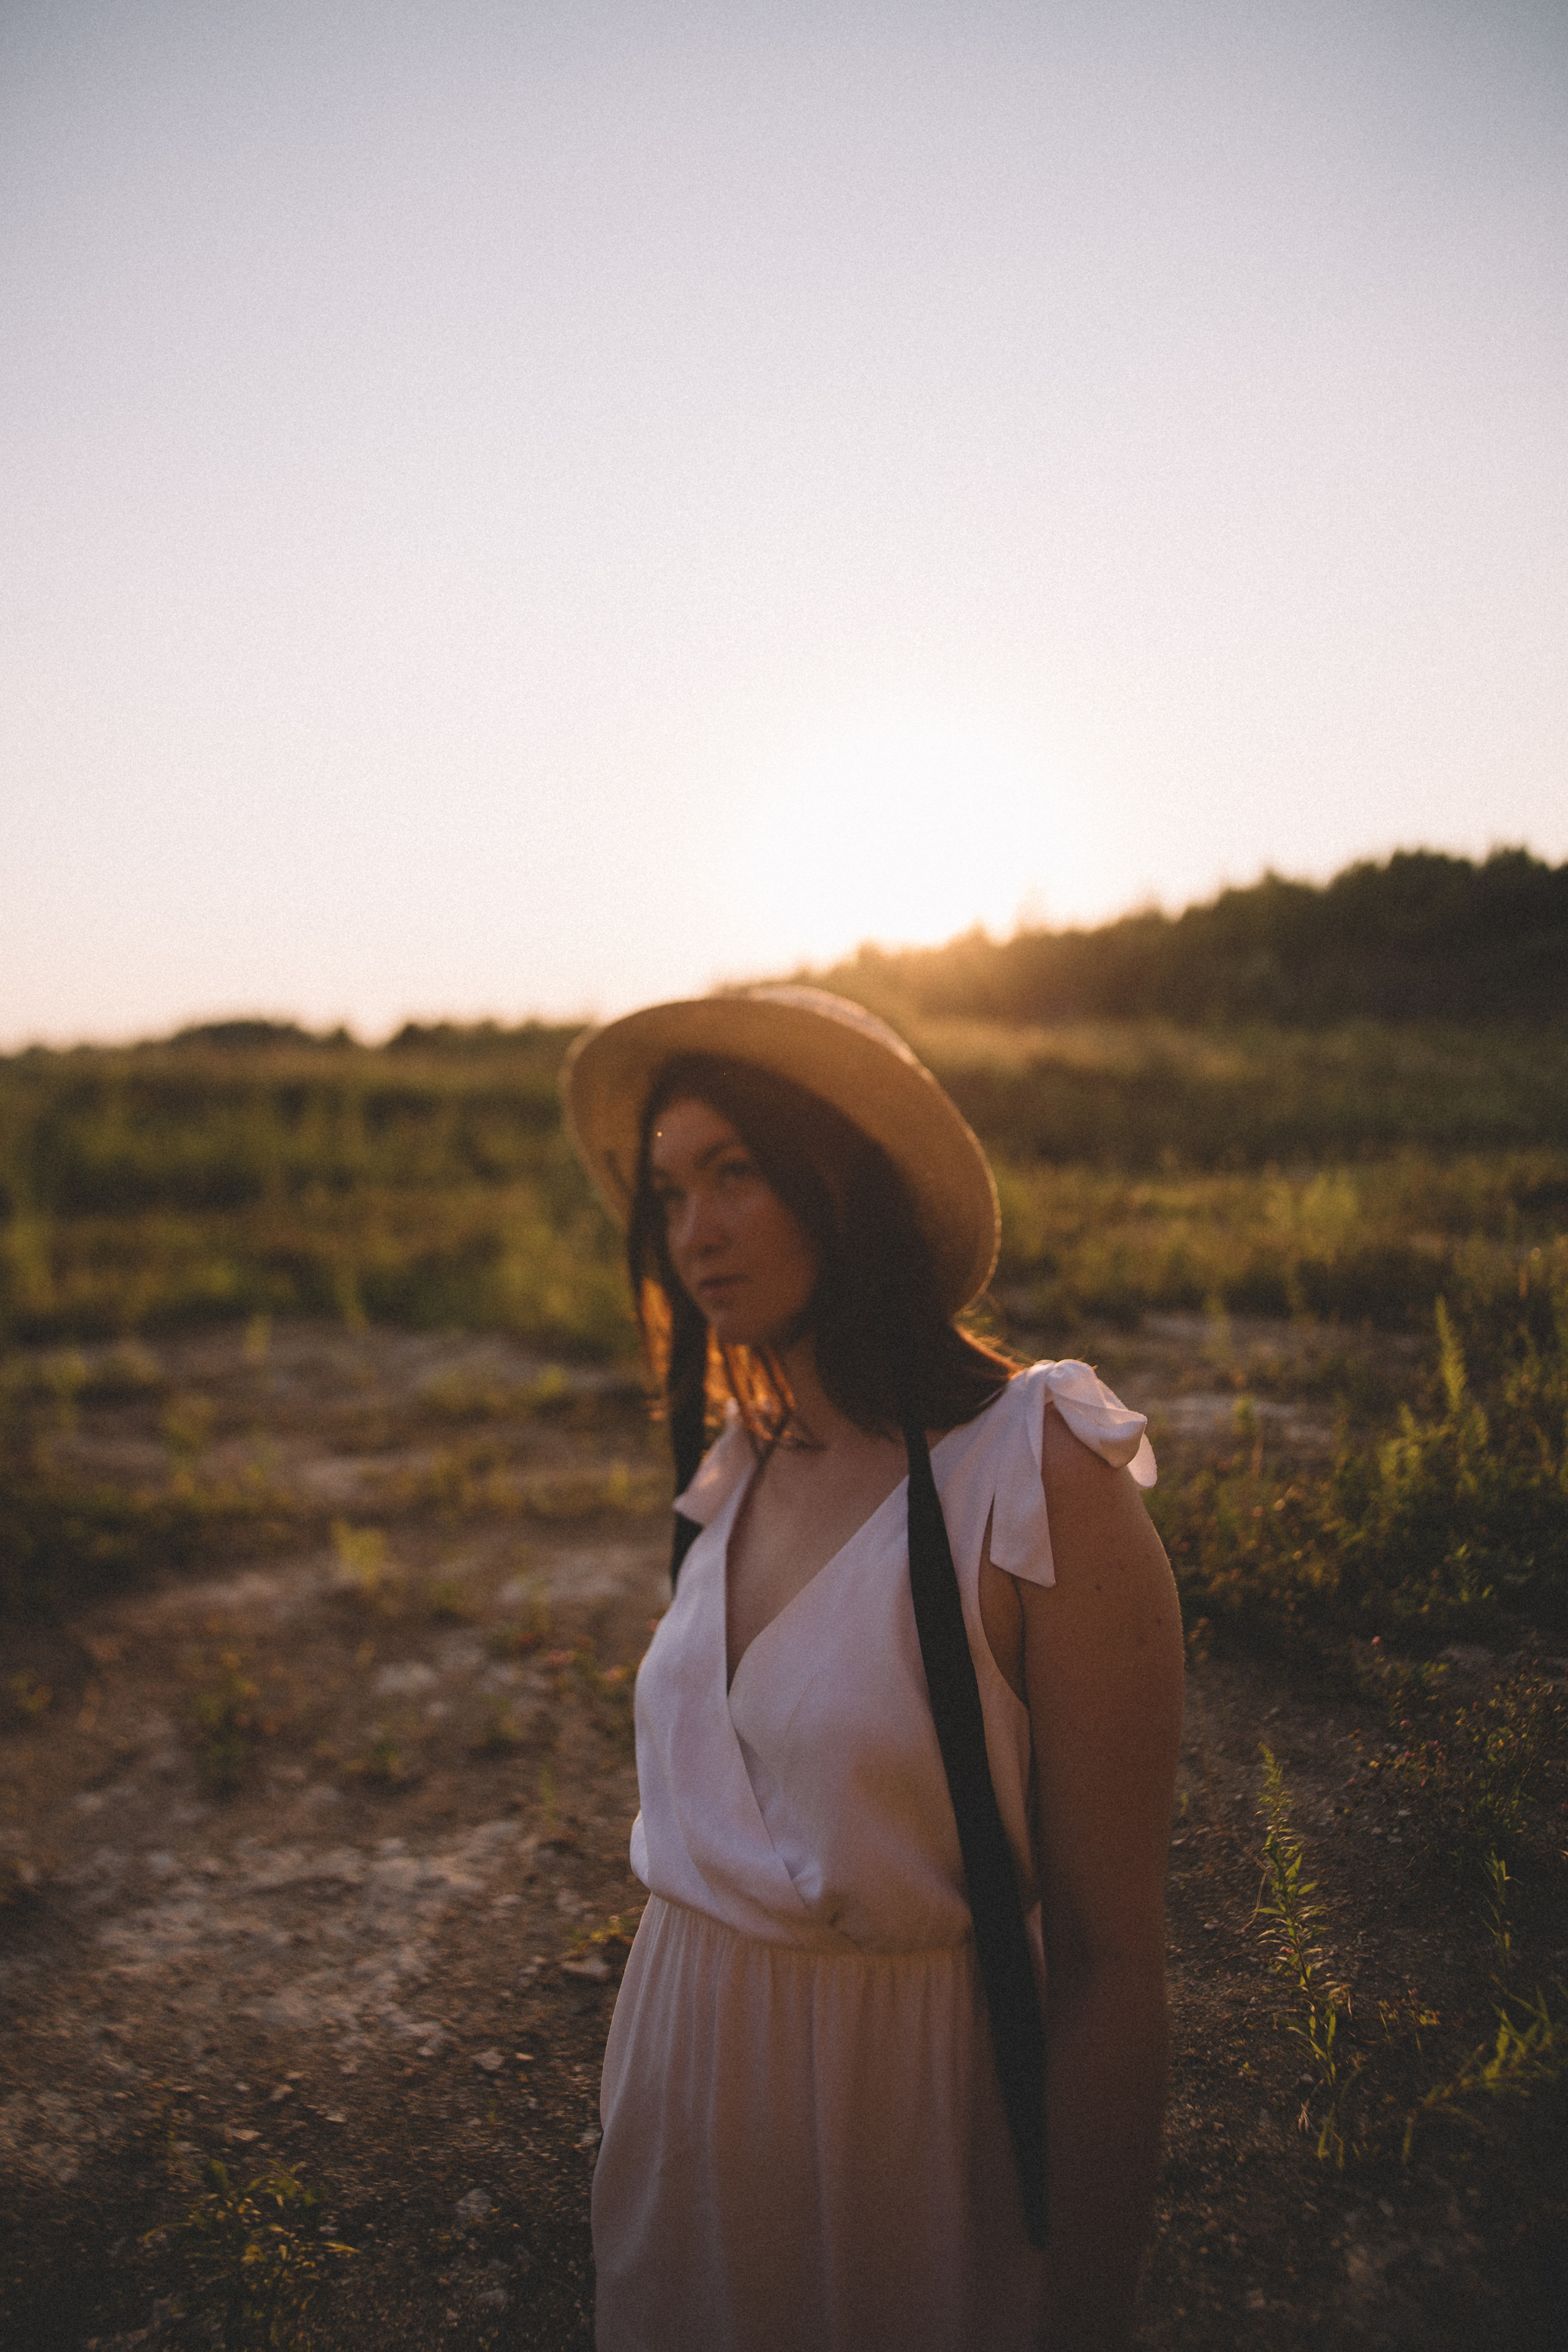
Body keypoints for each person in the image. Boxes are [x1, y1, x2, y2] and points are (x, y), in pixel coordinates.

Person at [562, 986, 1184, 2352]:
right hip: (686, 2107)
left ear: (841, 1178)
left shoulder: (1034, 1475)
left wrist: (1088, 2316)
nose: (695, 1234)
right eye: (668, 1192)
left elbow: (1104, 1956)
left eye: (736, 1172)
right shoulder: (737, 1464)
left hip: (906, 2129)